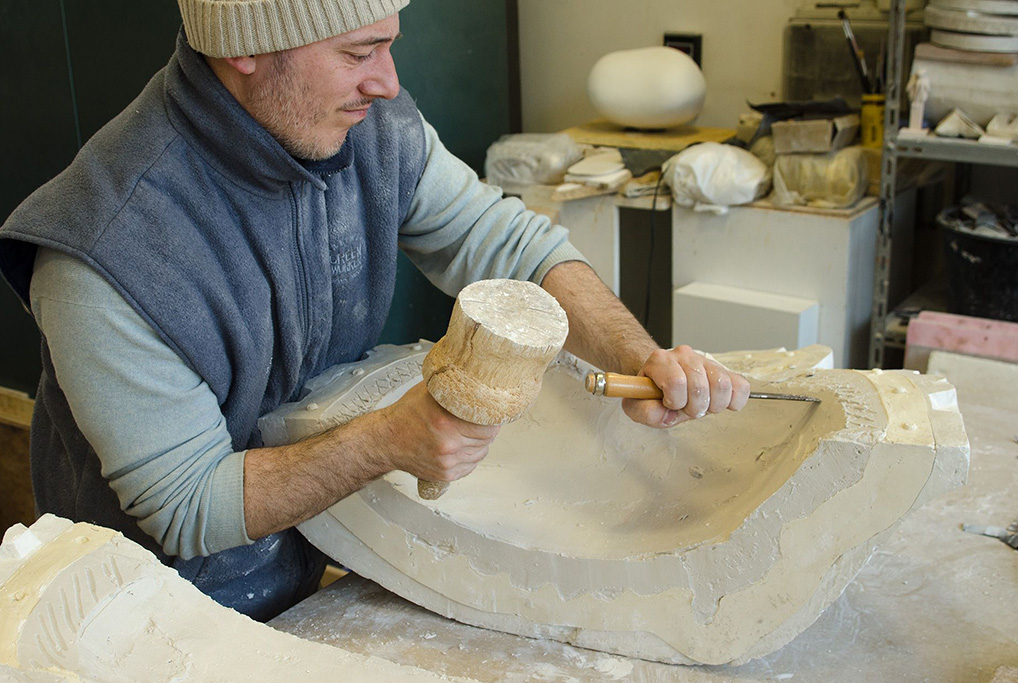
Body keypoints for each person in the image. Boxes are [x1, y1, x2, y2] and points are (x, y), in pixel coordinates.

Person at [0, 0, 749, 621]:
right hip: (147, 605)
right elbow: (188, 506)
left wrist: (638, 354)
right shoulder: (101, 252)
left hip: (313, 551)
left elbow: (509, 244)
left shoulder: (365, 129)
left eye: (390, 45)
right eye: (360, 52)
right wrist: (388, 440)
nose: (387, 83)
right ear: (247, 50)